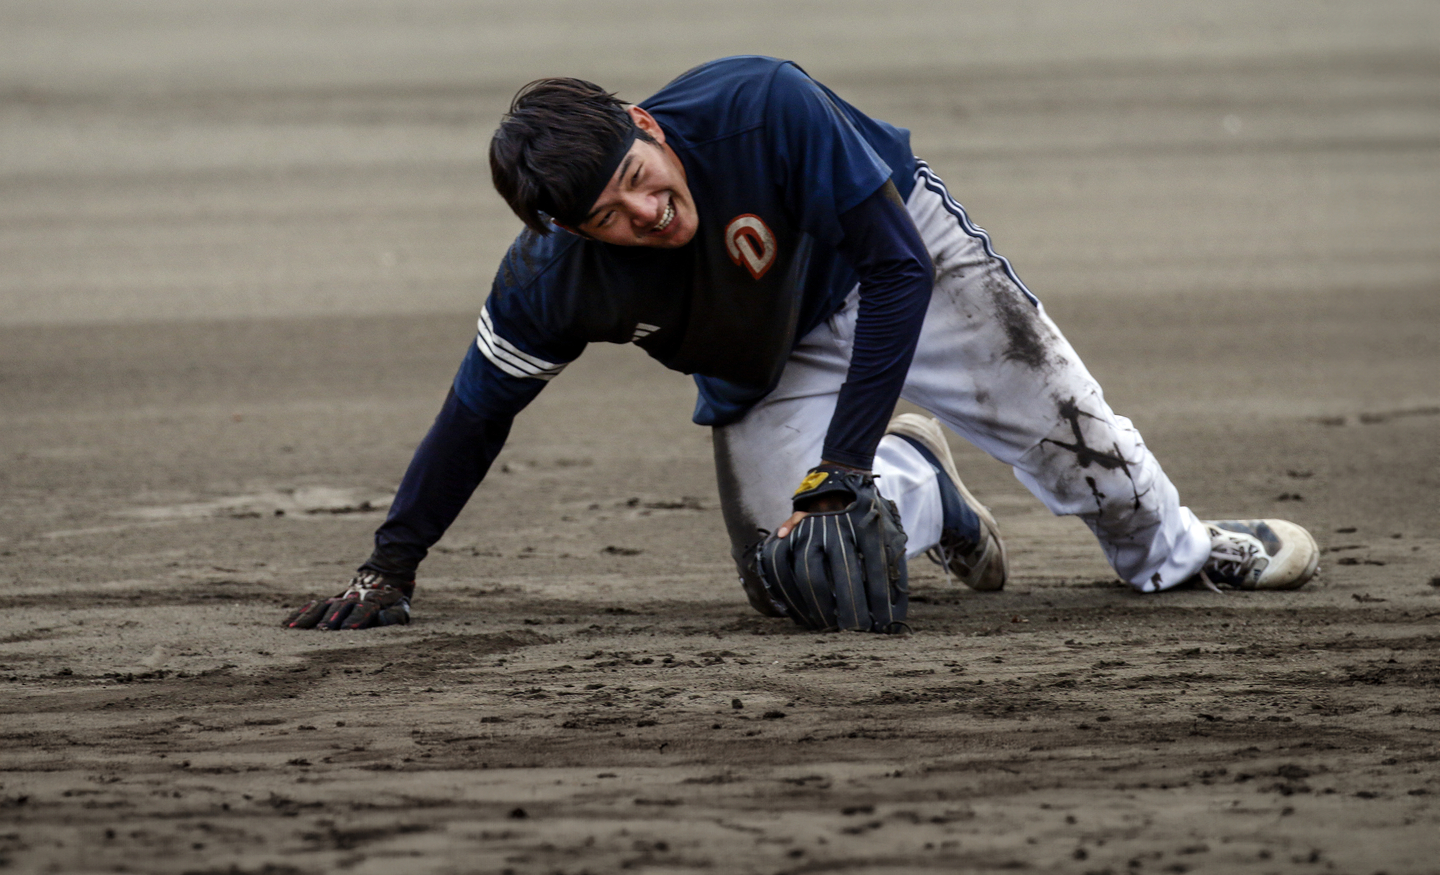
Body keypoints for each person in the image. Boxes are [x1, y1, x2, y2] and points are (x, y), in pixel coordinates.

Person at [283, 56, 1320, 631]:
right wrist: (390, 568)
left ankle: (1178, 553)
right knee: (804, 581)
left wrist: (843, 460)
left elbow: (899, 269)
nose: (647, 209)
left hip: (900, 259)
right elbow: (475, 415)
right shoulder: (551, 284)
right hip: (767, 364)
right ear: (565, 232)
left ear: (645, 123)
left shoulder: (760, 105)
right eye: (612, 212)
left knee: (1079, 447)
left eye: (640, 173)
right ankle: (928, 486)